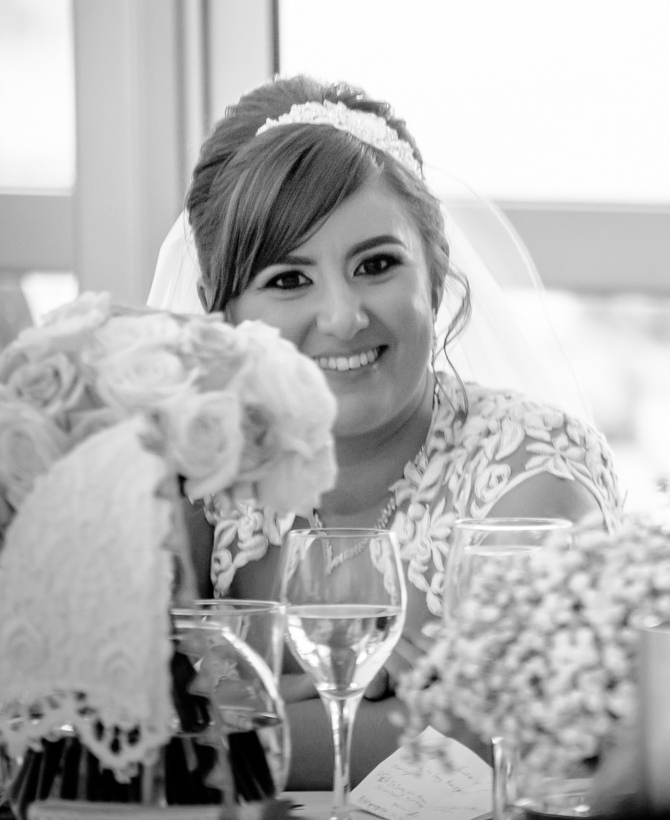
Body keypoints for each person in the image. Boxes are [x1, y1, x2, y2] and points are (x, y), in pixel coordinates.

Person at [160, 76, 624, 786]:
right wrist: (345, 707)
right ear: (220, 313)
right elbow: (111, 704)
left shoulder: (535, 469)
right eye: (289, 279)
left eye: (376, 265)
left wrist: (232, 716)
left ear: (436, 276)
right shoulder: (195, 471)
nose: (342, 316)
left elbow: (487, 741)